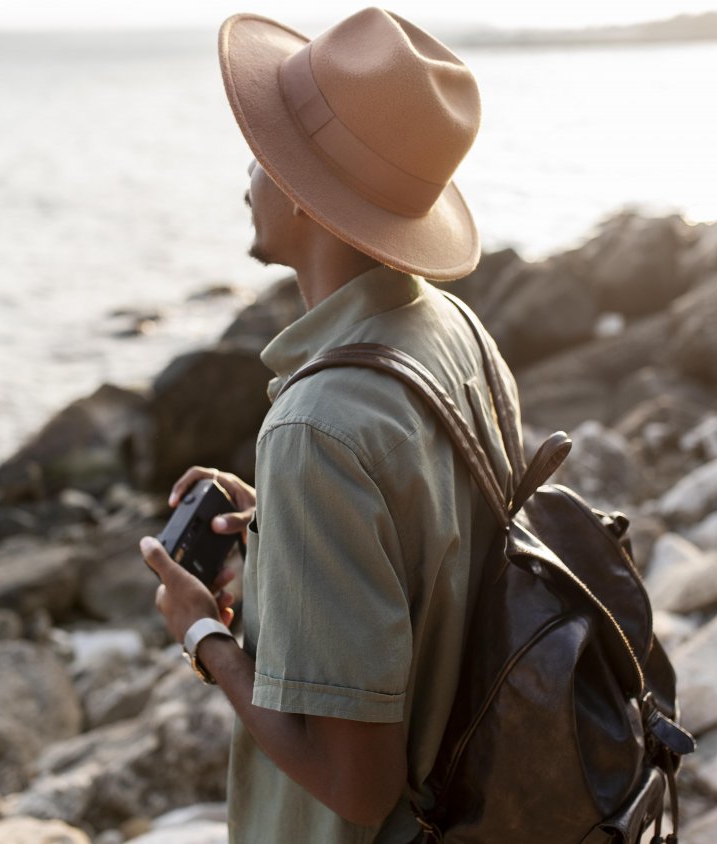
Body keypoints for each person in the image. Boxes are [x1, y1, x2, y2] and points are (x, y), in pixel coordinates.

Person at [138, 8, 520, 842]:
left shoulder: (316, 431)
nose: (249, 171)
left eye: (267, 151)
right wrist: (283, 524)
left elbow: (357, 788)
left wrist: (202, 634)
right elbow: (434, 551)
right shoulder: (456, 331)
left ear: (312, 199)